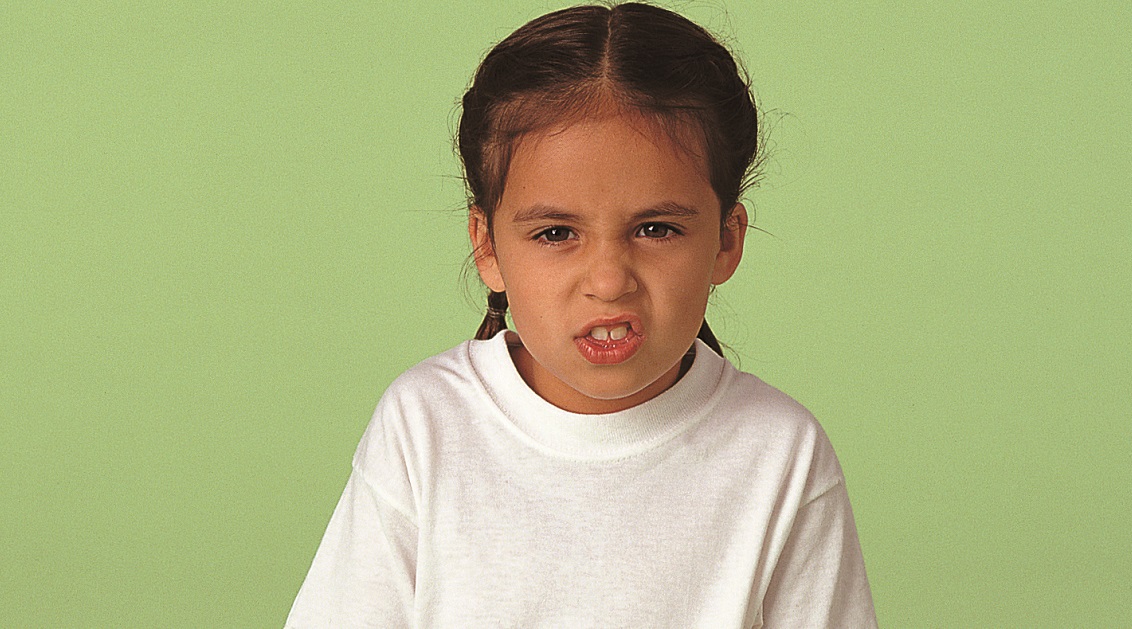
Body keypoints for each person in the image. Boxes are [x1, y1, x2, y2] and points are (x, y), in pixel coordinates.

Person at [286, 3, 876, 627]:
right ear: (487, 246)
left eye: (656, 228)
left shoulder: (780, 453)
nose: (607, 281)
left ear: (727, 240)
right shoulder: (425, 428)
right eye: (556, 233)